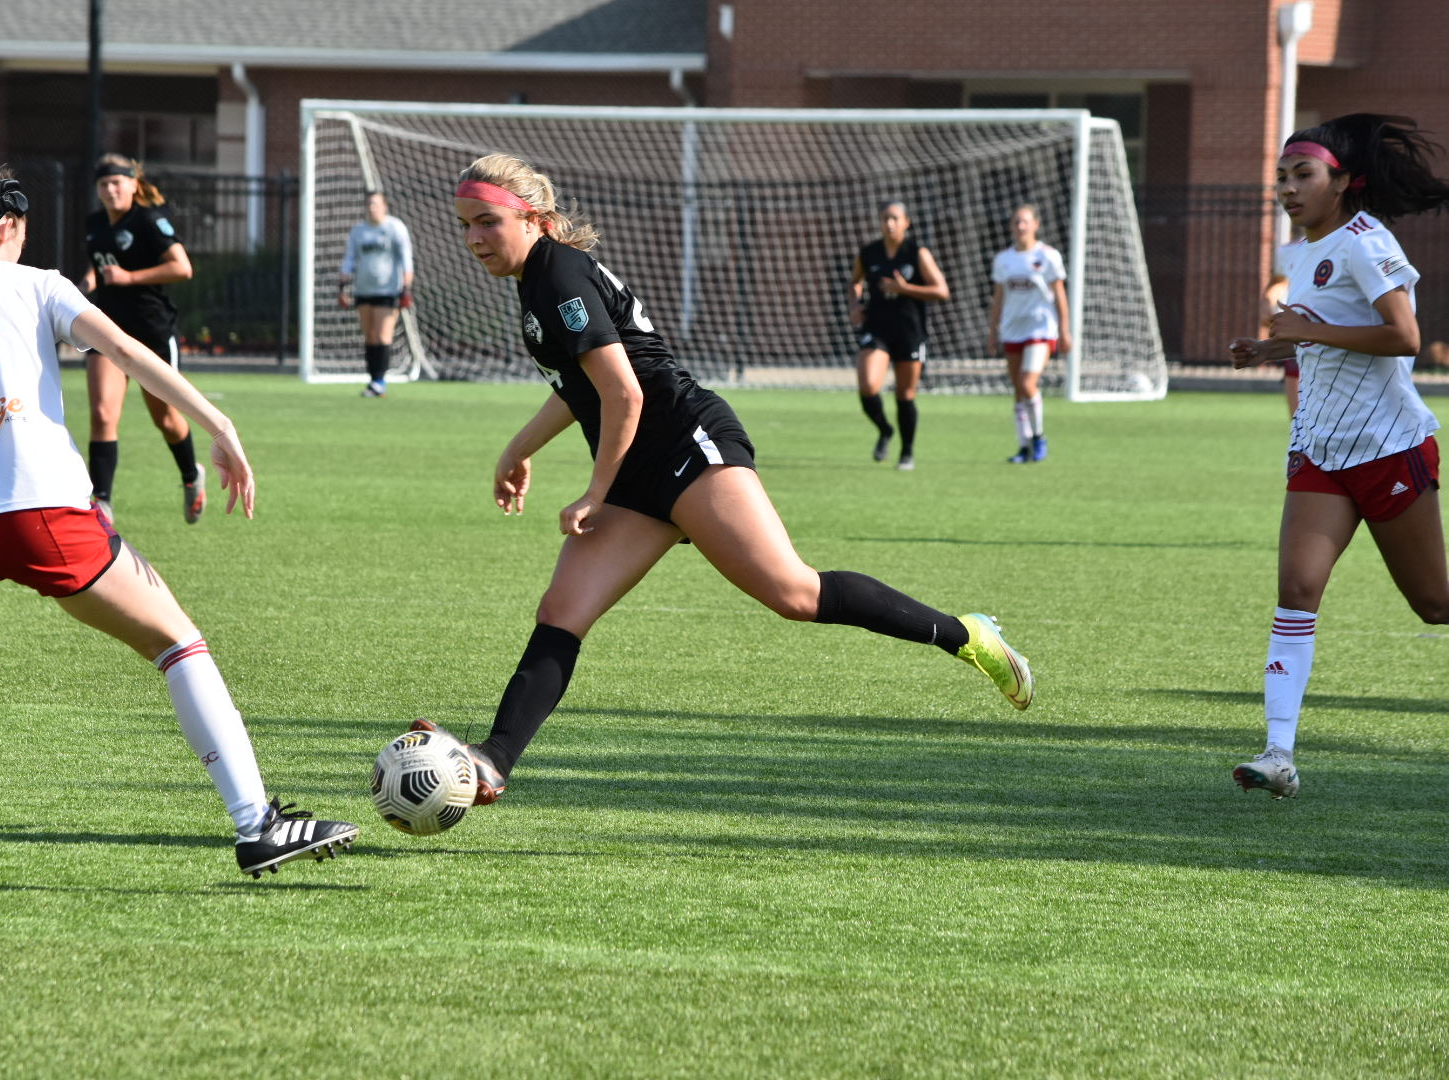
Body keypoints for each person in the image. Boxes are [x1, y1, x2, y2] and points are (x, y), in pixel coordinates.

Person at [416, 153, 1034, 806]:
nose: (474, 239)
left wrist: (596, 493)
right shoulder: (536, 278)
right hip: (635, 465)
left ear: (533, 218)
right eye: (465, 225)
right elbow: (579, 389)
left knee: (794, 593)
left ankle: (968, 636)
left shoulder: (558, 273)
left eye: (487, 221)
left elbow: (623, 394)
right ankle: (493, 761)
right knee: (562, 612)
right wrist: (515, 451)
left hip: (687, 443)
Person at [0, 150, 357, 884]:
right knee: (177, 643)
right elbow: (129, 350)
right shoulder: (39, 285)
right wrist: (218, 423)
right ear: (9, 224)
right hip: (42, 510)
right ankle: (255, 824)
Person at [1227, 113, 1449, 799]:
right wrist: (1276, 349)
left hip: (1387, 448)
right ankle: (1279, 754)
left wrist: (1300, 328)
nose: (1289, 189)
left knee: (1435, 605)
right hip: (1320, 449)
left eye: (1303, 176)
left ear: (1345, 182)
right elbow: (1324, 337)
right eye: (1282, 178)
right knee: (1296, 591)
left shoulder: (1366, 241)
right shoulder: (1298, 254)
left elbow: (1404, 336)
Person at [80, 154, 204, 523]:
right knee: (103, 412)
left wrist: (129, 278)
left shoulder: (150, 220)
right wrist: (84, 284)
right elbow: (99, 265)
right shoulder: (94, 223)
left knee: (165, 418)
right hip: (109, 329)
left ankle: (190, 476)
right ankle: (101, 503)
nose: (110, 190)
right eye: (104, 184)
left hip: (150, 332)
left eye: (117, 182)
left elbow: (182, 267)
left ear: (133, 184)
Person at [849, 200, 950, 470]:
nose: (889, 223)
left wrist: (905, 288)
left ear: (906, 222)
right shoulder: (869, 253)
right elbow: (855, 282)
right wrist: (855, 305)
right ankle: (884, 429)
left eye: (895, 218)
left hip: (909, 331)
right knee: (869, 385)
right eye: (885, 218)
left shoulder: (916, 253)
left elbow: (941, 291)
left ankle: (906, 452)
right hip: (877, 328)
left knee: (905, 394)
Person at [986, 205, 1070, 463]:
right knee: (1018, 390)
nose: (1020, 227)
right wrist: (993, 331)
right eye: (1016, 222)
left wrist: (1065, 330)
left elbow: (1059, 295)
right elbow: (999, 298)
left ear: (1036, 225)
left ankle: (1039, 437)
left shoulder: (1048, 256)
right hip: (1013, 330)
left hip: (1041, 329)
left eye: (1025, 222)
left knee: (1027, 383)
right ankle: (1024, 447)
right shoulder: (1004, 259)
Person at [338, 190, 414, 397]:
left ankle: (380, 381)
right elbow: (350, 258)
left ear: (384, 206)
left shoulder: (394, 228)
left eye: (376, 204)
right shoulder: (359, 231)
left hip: (388, 290)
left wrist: (406, 287)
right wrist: (342, 284)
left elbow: (406, 258)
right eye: (369, 204)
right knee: (370, 335)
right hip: (363, 289)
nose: (372, 207)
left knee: (382, 335)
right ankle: (373, 380)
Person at [1258, 272, 1298, 415]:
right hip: (1295, 358)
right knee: (1298, 416)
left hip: (1311, 354)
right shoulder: (1280, 287)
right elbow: (1264, 316)